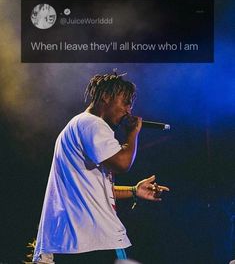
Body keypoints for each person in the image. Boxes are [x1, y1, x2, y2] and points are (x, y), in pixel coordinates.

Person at [33, 72, 169, 264]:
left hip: (73, 241)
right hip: (91, 240)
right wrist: (132, 133)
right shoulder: (92, 124)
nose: (129, 110)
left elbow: (94, 191)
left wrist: (133, 191)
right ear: (106, 97)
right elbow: (123, 163)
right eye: (126, 102)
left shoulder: (78, 125)